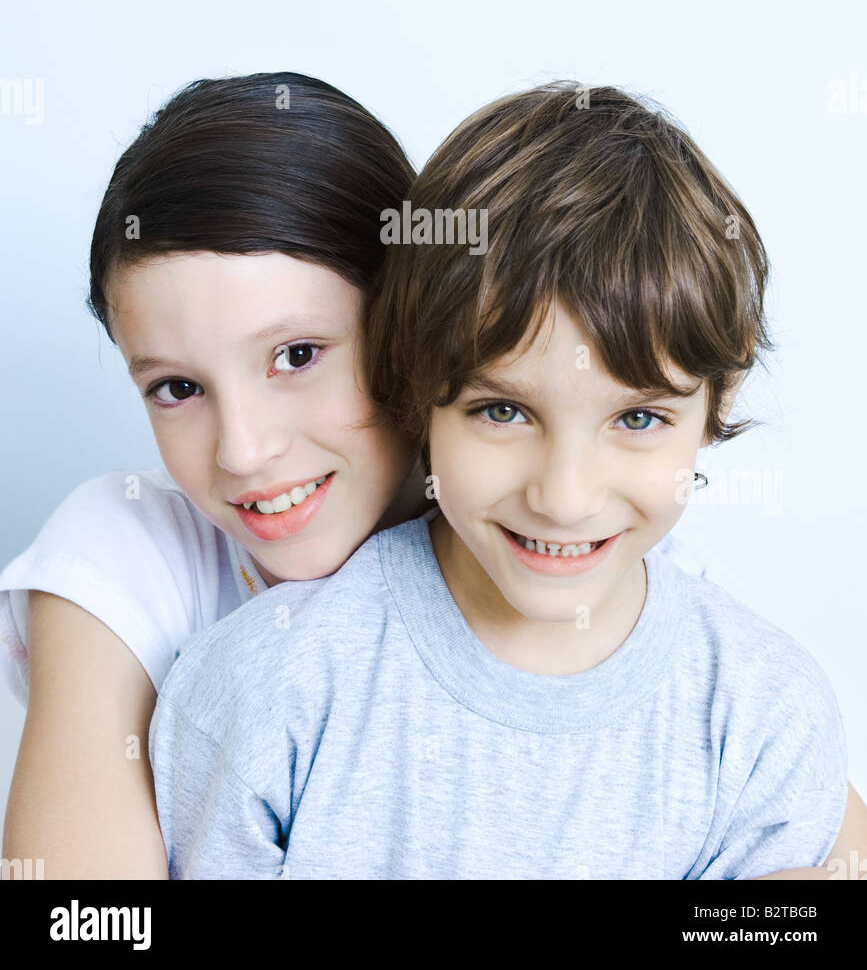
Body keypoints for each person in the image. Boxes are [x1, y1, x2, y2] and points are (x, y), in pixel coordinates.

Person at [147, 81, 862, 879]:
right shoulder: (263, 688)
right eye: (502, 412)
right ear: (414, 387)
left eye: (636, 420)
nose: (563, 497)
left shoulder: (761, 716)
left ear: (714, 406)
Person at [1, 71, 428, 878]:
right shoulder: (123, 553)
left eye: (296, 356)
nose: (242, 450)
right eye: (178, 389)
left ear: (411, 318)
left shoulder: (562, 548)